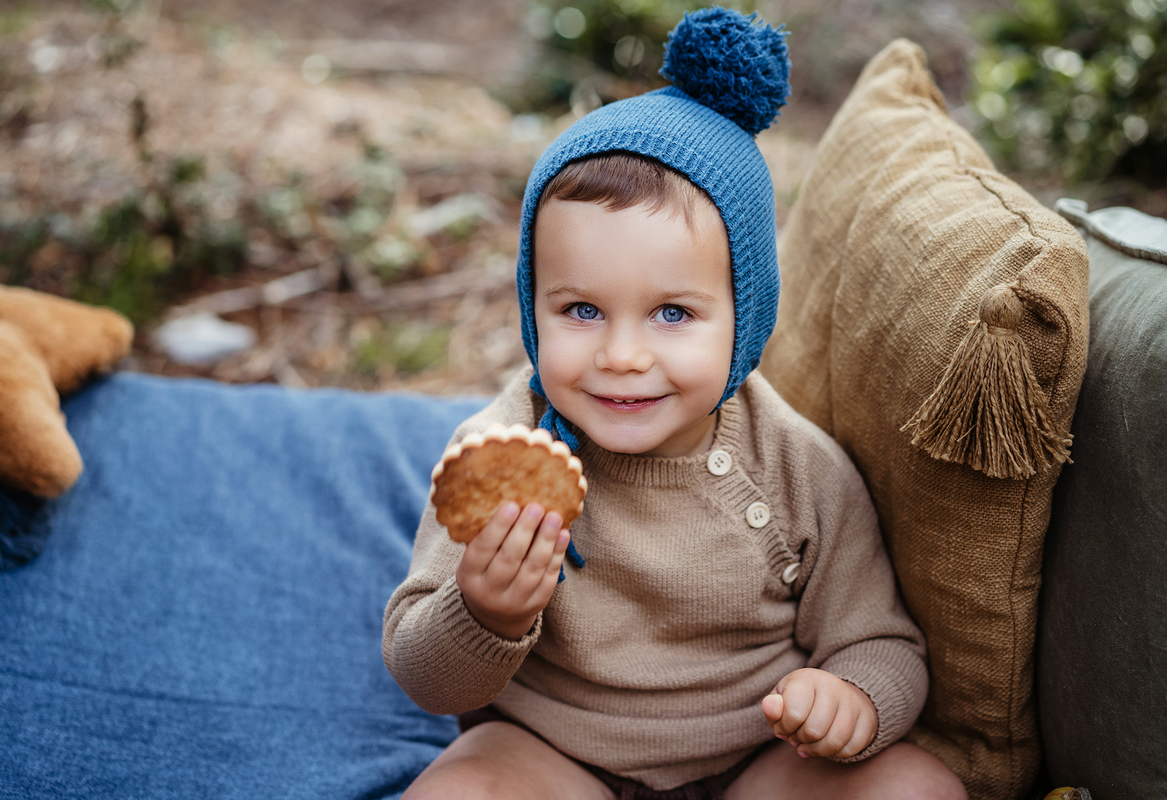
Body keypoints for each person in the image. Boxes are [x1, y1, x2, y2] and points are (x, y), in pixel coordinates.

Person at [383, 8, 966, 799]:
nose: (623, 355)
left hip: (753, 762)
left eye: (673, 313)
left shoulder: (797, 467)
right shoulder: (503, 455)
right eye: (581, 311)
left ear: (746, 318)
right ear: (532, 307)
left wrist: (853, 698)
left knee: (917, 784)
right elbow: (426, 679)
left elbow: (881, 642)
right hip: (552, 754)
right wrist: (483, 612)